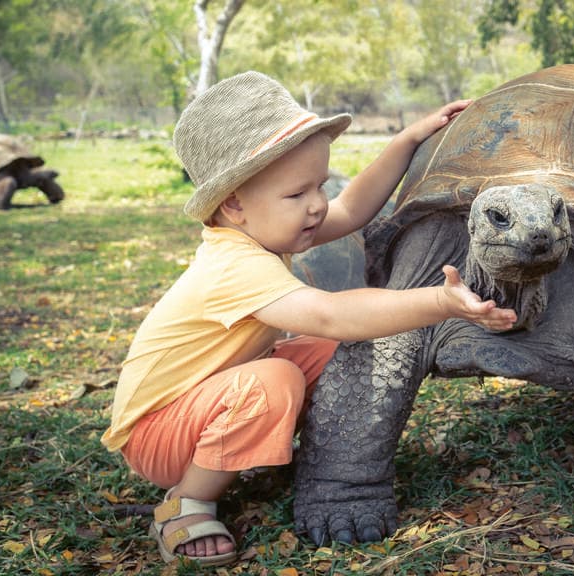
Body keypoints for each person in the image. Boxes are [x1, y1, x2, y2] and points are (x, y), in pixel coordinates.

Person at [99, 71, 517, 567]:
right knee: (275, 377)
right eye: (298, 194)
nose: (317, 204)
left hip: (202, 402)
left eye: (318, 185)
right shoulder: (233, 265)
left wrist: (406, 141)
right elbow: (329, 313)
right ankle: (185, 501)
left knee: (329, 355)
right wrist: (441, 302)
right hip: (156, 432)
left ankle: (306, 450)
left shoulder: (262, 232)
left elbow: (350, 208)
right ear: (233, 204)